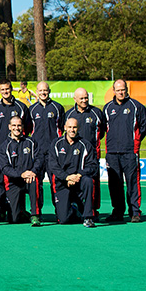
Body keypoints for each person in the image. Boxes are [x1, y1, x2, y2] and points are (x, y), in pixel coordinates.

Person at [103, 79, 146, 223]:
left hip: (130, 152)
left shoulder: (137, 107)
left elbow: (144, 126)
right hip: (112, 153)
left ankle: (135, 211)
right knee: (114, 183)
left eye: (123, 89)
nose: (120, 92)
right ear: (113, 90)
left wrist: (135, 142)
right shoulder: (107, 108)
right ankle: (117, 211)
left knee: (132, 182)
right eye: (118, 90)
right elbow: (103, 129)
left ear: (126, 89)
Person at [0, 79, 31, 221]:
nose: (5, 92)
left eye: (7, 89)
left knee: (18, 180)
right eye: (2, 90)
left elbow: (28, 128)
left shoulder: (21, 107)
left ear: (11, 88)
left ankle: (21, 210)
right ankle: (0, 210)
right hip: (0, 152)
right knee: (0, 182)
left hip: (19, 151)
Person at [48, 118, 98, 227]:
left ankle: (88, 217)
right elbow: (53, 166)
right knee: (64, 220)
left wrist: (78, 175)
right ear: (65, 128)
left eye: (74, 127)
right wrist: (67, 177)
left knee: (88, 181)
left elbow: (93, 165)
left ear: (78, 128)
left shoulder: (85, 144)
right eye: (69, 127)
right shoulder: (56, 144)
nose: (72, 130)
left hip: (79, 180)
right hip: (63, 182)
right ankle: (74, 208)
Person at [64, 88, 106, 216]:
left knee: (92, 183)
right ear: (75, 99)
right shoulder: (69, 114)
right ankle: (74, 208)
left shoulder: (96, 113)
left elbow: (102, 131)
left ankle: (93, 209)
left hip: (91, 156)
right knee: (72, 181)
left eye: (86, 97)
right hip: (72, 156)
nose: (84, 100)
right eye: (81, 98)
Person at [0, 116, 43, 225]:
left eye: (19, 125)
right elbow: (5, 168)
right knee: (14, 219)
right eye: (14, 125)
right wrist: (21, 174)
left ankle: (35, 215)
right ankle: (21, 211)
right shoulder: (4, 146)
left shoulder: (31, 142)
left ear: (22, 127)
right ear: (9, 127)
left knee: (34, 180)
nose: (16, 128)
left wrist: (33, 171)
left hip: (29, 178)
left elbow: (39, 159)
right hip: (14, 182)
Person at [28, 81, 64, 217]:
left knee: (56, 182)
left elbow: (61, 129)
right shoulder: (31, 110)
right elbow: (27, 130)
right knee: (37, 183)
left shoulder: (57, 108)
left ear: (49, 91)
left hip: (53, 153)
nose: (43, 93)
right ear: (37, 92)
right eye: (41, 91)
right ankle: (37, 213)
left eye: (45, 90)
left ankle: (59, 210)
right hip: (37, 154)